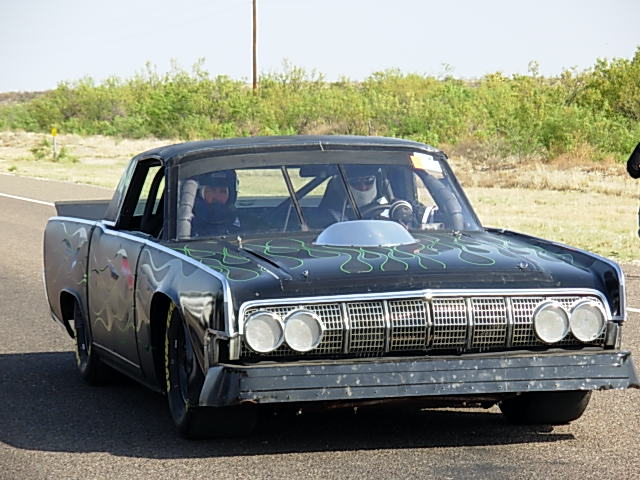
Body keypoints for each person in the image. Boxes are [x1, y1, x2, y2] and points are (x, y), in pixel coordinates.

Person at [190, 170, 241, 237]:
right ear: (201, 193)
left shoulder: (237, 221)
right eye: (212, 190)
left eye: (223, 191)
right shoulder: (189, 219)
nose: (217, 197)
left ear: (231, 196)